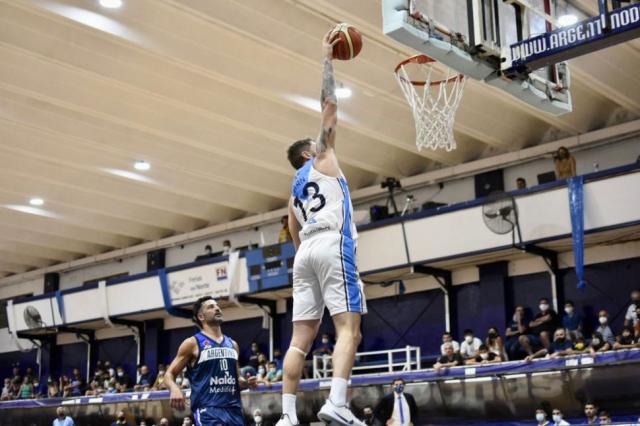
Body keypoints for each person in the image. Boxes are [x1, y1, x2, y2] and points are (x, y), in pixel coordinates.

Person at [276, 28, 367, 426]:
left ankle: (287, 415)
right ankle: (337, 401)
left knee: (301, 339)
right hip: (331, 242)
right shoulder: (323, 158)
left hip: (304, 255)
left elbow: (292, 229)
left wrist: (306, 258)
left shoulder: (292, 191)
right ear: (307, 154)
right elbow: (329, 103)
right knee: (349, 328)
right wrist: (327, 60)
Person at [164, 296, 257, 426]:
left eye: (217, 306)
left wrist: (246, 383)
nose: (217, 308)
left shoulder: (233, 344)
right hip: (208, 410)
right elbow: (168, 374)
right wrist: (174, 388)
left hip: (234, 410)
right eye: (211, 307)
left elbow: (237, 379)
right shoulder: (192, 343)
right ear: (201, 316)